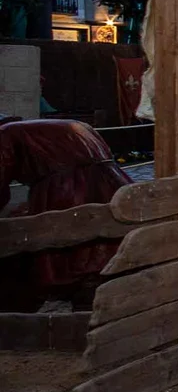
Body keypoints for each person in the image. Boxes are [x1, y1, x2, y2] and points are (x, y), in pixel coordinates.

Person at [0, 118, 132, 311]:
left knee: (69, 257)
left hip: (67, 191)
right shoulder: (71, 125)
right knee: (96, 253)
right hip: (112, 183)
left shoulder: (5, 134)